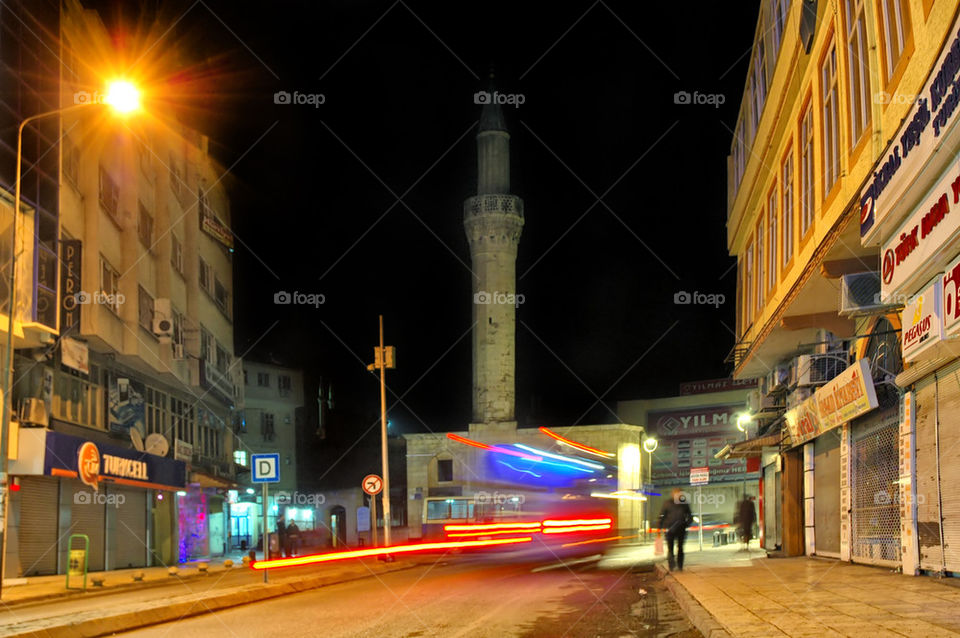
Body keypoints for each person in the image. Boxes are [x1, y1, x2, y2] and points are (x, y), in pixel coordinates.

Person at [659, 488, 693, 571]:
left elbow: (690, 516)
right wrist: (660, 527)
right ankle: (671, 565)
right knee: (670, 548)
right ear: (673, 494)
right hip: (670, 529)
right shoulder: (667, 503)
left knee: (680, 547)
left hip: (681, 529)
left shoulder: (684, 504)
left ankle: (680, 565)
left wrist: (686, 524)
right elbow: (662, 516)